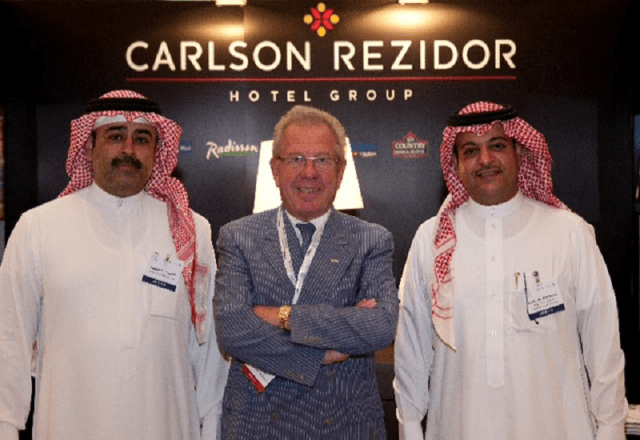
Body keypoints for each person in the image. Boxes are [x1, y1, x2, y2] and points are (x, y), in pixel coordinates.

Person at [0, 90, 228, 440]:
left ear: (157, 150)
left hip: (166, 428)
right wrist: (6, 427)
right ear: (89, 146)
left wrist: (212, 429)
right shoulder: (38, 228)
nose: (128, 150)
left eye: (142, 139)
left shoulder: (191, 231)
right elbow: (9, 339)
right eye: (115, 135)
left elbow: (209, 349)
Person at [393, 101, 628, 440]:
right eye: (470, 150)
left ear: (519, 152)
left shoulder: (569, 232)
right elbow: (411, 351)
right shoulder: (431, 240)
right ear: (455, 164)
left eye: (497, 146)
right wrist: (411, 427)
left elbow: (603, 343)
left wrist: (610, 428)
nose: (485, 160)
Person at [214, 105, 398, 439]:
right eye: (296, 159)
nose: (309, 173)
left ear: (341, 171)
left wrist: (282, 316)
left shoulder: (372, 240)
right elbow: (234, 330)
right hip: (259, 427)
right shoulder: (238, 236)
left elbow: (380, 326)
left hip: (344, 427)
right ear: (275, 169)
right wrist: (321, 355)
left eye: (323, 160)